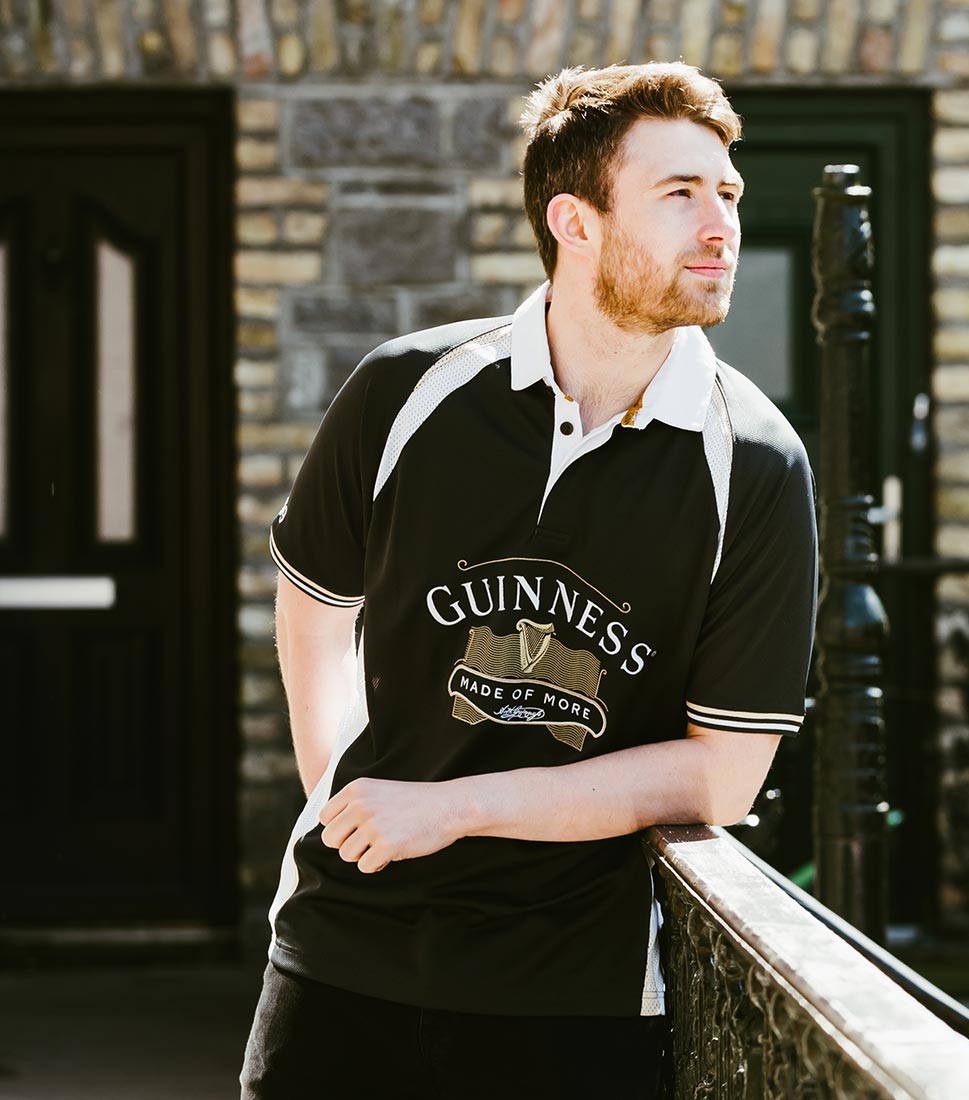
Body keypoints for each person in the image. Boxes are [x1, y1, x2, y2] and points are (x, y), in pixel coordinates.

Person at [240, 61, 817, 1100]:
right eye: (678, 192)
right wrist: (336, 790)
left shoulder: (757, 464)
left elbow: (722, 776)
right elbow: (314, 597)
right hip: (344, 954)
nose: (719, 222)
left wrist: (449, 807)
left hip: (573, 990)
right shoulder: (404, 392)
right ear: (574, 220)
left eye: (725, 191)